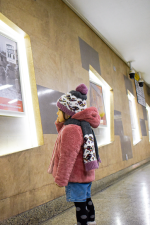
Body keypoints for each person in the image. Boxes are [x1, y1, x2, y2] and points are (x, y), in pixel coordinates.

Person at [48, 84, 101, 225]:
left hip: (76, 176)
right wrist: (61, 123)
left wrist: (61, 179)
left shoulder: (71, 129)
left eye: (59, 110)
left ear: (68, 112)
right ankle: (91, 222)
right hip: (85, 175)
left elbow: (67, 157)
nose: (57, 113)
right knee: (87, 201)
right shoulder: (79, 125)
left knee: (80, 206)